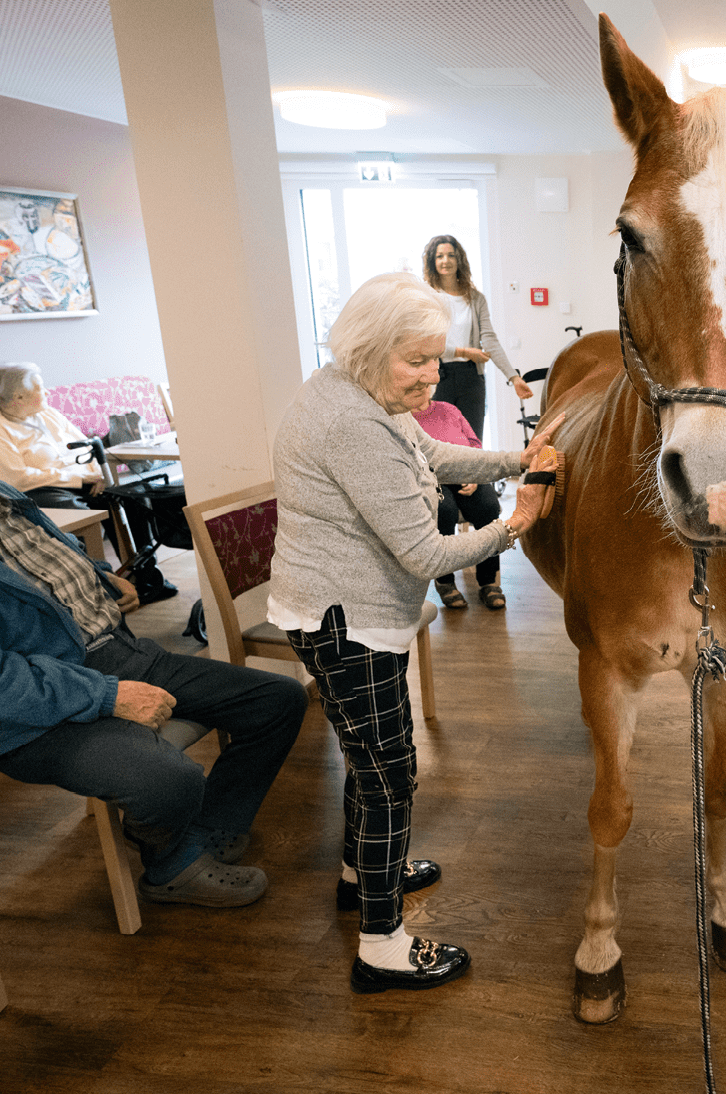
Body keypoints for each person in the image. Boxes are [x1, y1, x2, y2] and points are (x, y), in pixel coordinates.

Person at [0, 402, 305, 909]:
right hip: (21, 715)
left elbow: (36, 564)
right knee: (165, 778)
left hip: (114, 653)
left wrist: (97, 576)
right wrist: (109, 695)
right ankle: (170, 868)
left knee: (278, 699)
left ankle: (206, 829)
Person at [268, 271, 563, 994]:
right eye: (417, 360)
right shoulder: (351, 421)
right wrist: (517, 521)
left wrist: (515, 459)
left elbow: (429, 457)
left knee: (366, 761)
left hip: (344, 611)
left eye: (437, 358)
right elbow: (427, 556)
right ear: (371, 350)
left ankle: (358, 874)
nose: (433, 375)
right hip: (350, 623)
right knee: (389, 776)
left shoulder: (358, 388)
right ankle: (382, 946)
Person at [421, 234, 534, 438]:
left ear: (459, 260)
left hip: (471, 378)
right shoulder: (426, 298)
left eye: (451, 255)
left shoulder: (475, 299)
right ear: (432, 261)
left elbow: (489, 339)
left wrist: (514, 377)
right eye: (439, 256)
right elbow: (424, 342)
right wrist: (463, 351)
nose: (445, 260)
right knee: (441, 444)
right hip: (439, 376)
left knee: (472, 440)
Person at [411, 386, 507, 610]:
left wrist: (475, 475)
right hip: (433, 479)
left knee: (488, 506)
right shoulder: (404, 419)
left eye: (425, 385)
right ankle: (445, 582)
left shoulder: (449, 410)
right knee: (444, 511)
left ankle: (488, 581)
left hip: (466, 473)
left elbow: (474, 444)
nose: (421, 390)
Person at [0, 362, 103, 509]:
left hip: (84, 480)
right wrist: (78, 478)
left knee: (127, 496)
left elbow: (88, 444)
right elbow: (17, 478)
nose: (47, 392)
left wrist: (100, 475)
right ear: (19, 397)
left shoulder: (47, 412)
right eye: (40, 388)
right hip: (41, 490)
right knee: (80, 510)